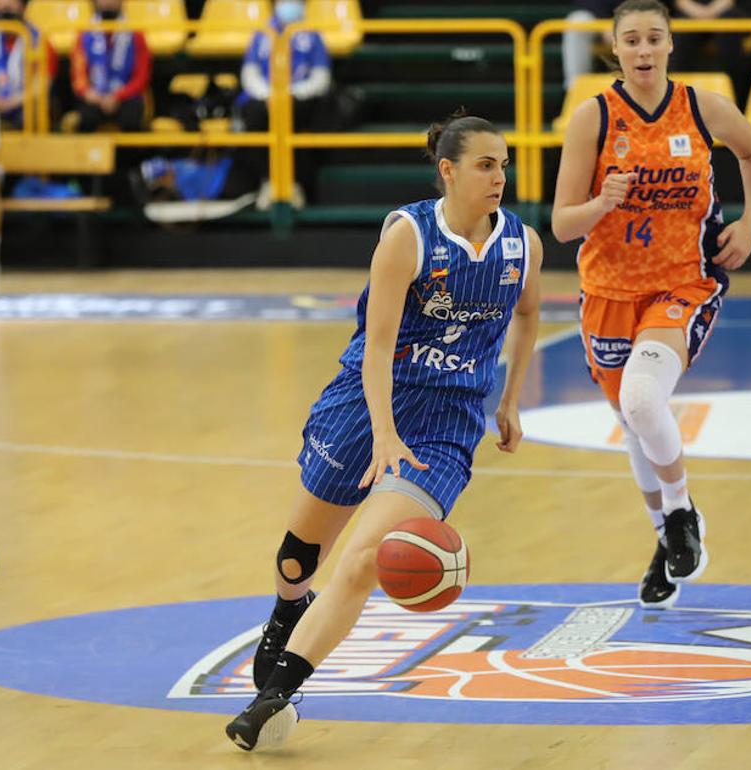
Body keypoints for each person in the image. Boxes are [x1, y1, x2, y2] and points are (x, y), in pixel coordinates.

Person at [223, 111, 542, 752]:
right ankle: (288, 608)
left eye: (504, 164)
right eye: (485, 164)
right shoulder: (408, 236)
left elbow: (528, 314)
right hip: (369, 399)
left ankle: (276, 694)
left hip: (446, 424)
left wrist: (509, 401)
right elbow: (378, 345)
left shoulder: (523, 245)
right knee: (298, 558)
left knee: (367, 558)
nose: (499, 176)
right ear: (448, 171)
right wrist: (384, 431)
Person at [551, 0, 751, 610]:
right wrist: (602, 203)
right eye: (632, 40)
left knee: (642, 399)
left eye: (654, 39)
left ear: (671, 46)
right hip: (608, 292)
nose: (644, 50)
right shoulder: (592, 117)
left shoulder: (702, 107)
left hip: (684, 283)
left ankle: (678, 511)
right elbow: (563, 225)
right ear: (614, 50)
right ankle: (666, 536)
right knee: (634, 422)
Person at [0, 0, 58, 277]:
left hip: (23, 111)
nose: (3, 4)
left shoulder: (38, 40)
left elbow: (43, 83)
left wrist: (13, 101)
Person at [235, 0, 331, 206]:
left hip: (298, 98)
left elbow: (321, 77)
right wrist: (269, 95)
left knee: (296, 118)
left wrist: (289, 94)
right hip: (265, 98)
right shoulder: (262, 33)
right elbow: (249, 73)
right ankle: (268, 182)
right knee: (254, 116)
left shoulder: (313, 34)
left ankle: (294, 185)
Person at [70, 0, 150, 133]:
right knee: (86, 117)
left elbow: (142, 76)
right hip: (95, 97)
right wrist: (89, 93)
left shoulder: (136, 34)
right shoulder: (84, 35)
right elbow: (78, 75)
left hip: (126, 97)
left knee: (131, 118)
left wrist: (118, 96)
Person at [562, 0, 618, 89]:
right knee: (578, 21)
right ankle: (576, 90)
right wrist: (603, 23)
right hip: (599, 19)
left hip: (637, 17)